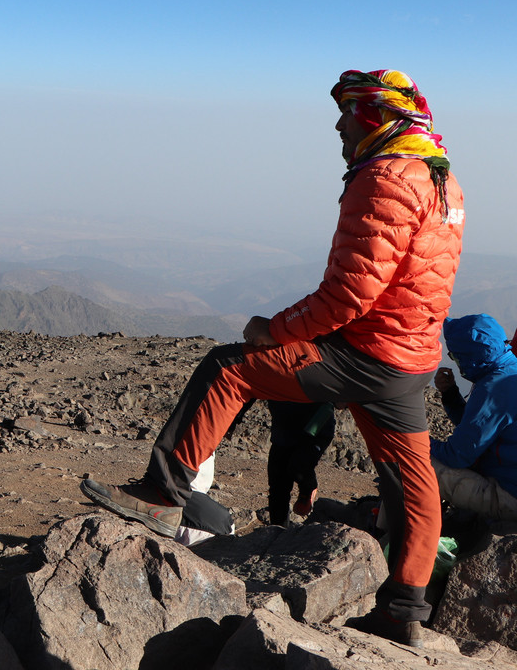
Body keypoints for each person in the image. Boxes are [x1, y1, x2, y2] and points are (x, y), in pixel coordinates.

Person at [80, 69, 464, 648]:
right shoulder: (444, 181)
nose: (338, 124)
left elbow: (349, 294)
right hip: (410, 363)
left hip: (362, 352)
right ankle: (403, 611)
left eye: (348, 114)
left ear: (375, 119)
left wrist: (274, 329)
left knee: (227, 368)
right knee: (412, 488)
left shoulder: (384, 177)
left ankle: (166, 494)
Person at [431, 314, 517, 520]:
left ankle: (387, 535)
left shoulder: (494, 388)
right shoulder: (508, 369)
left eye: (454, 357)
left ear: (467, 356)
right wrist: (451, 395)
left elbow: (456, 456)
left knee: (408, 462)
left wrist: (414, 440)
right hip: (509, 481)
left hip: (507, 496)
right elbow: (482, 431)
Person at [267, 400, 336, 525]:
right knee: (277, 486)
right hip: (283, 430)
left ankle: (307, 489)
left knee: (298, 468)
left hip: (315, 426)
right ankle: (277, 532)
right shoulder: (269, 380)